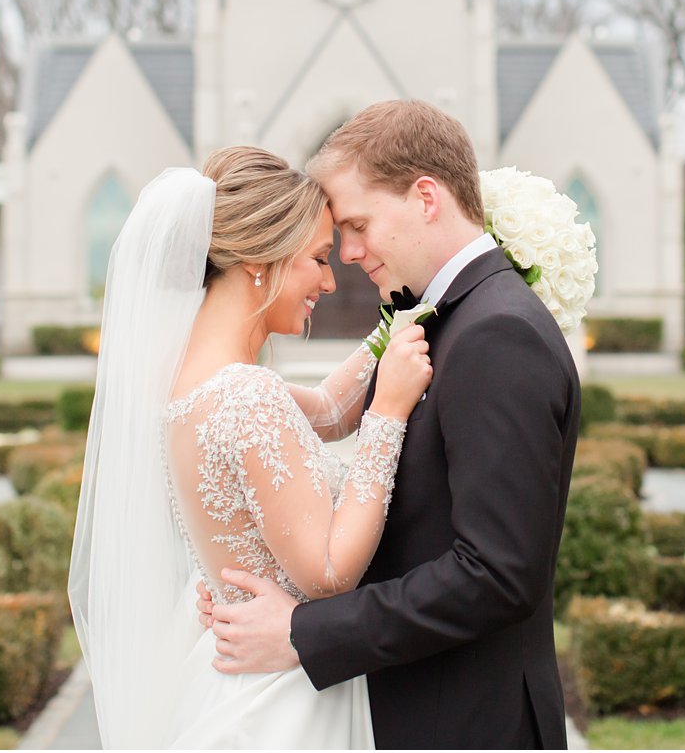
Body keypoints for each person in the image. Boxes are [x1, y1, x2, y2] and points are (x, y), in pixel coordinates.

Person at [200, 100, 583, 749]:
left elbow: (495, 573)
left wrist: (303, 630)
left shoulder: (497, 336)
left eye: (357, 225)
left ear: (425, 196)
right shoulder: (436, 315)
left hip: (467, 724)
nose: (347, 253)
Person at [68, 145, 432, 748]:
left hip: (233, 677)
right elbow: (328, 573)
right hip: (281, 698)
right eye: (317, 258)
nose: (329, 278)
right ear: (262, 259)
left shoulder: (186, 379)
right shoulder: (245, 394)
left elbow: (330, 410)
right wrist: (389, 413)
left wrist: (396, 325)